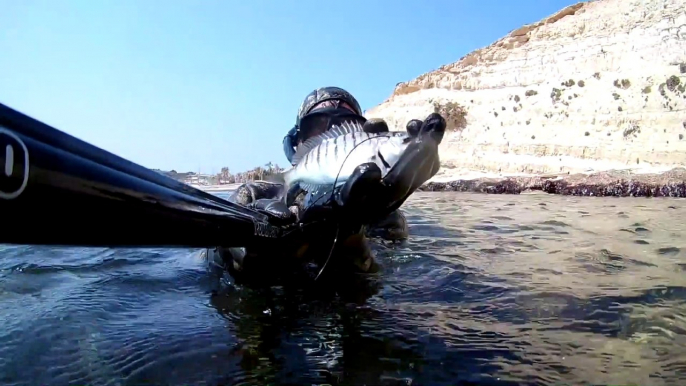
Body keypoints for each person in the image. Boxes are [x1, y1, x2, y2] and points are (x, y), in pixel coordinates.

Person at [204, 86, 444, 288]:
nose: (330, 134)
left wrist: (351, 237)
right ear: (297, 143)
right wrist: (250, 251)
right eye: (317, 127)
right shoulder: (254, 194)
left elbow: (385, 279)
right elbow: (209, 256)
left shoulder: (384, 213)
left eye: (346, 124)